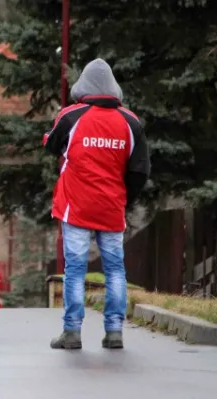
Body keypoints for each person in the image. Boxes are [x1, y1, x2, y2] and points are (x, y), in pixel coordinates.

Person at [42, 58, 150, 349]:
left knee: (75, 268)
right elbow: (140, 170)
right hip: (111, 206)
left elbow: (52, 145)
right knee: (115, 268)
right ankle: (114, 331)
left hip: (75, 205)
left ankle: (72, 332)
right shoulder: (131, 122)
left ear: (83, 87)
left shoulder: (71, 116)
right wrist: (124, 197)